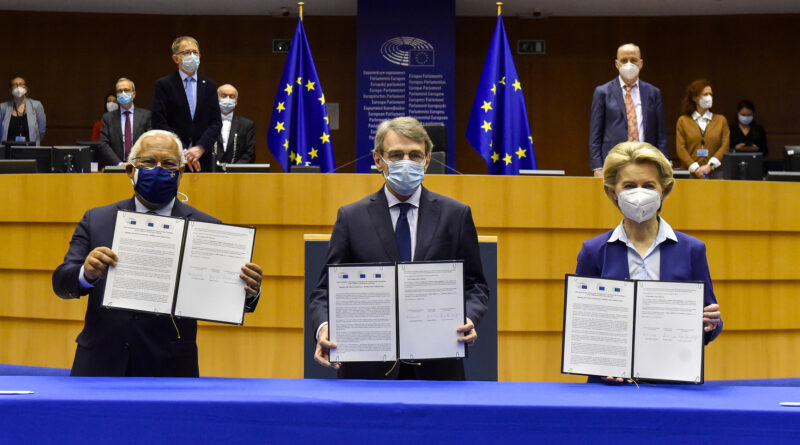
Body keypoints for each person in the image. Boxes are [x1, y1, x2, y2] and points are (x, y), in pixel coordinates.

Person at [52, 129, 263, 377]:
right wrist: (85, 274)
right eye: (149, 162)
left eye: (169, 163)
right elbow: (61, 283)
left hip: (170, 370)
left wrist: (249, 291)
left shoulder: (207, 229)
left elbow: (228, 298)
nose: (159, 169)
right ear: (131, 170)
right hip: (101, 364)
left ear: (181, 173)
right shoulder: (97, 220)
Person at [309, 116, 490, 380]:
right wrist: (324, 327)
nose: (406, 163)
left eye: (415, 155)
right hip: (367, 370)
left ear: (427, 160)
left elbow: (476, 285)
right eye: (396, 155)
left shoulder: (456, 214)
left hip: (438, 367)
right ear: (378, 160)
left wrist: (470, 317)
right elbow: (324, 290)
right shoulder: (351, 217)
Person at [575, 141, 722, 383]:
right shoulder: (593, 251)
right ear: (613, 192)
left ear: (663, 190)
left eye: (649, 186)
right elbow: (582, 326)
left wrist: (710, 323)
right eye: (630, 186)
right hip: (608, 388)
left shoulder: (692, 249)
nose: (639, 193)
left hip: (674, 384)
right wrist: (602, 366)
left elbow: (710, 321)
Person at [589, 43, 667, 177]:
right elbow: (595, 134)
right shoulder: (602, 92)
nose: (629, 64)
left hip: (647, 162)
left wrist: (663, 165)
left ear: (641, 63)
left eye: (633, 60)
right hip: (614, 163)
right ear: (616, 64)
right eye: (624, 60)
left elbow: (661, 135)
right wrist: (597, 167)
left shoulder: (653, 93)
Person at [151, 36, 221, 172]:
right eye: (187, 53)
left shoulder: (209, 85)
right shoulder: (164, 84)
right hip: (173, 157)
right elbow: (159, 121)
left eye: (195, 52)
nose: (192, 56)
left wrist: (200, 147)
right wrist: (182, 150)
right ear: (176, 58)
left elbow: (216, 122)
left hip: (202, 159)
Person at [676, 79, 730, 179]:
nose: (709, 97)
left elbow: (725, 146)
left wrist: (710, 166)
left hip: (715, 173)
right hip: (691, 173)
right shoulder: (683, 121)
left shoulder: (721, 120)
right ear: (694, 98)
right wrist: (696, 168)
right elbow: (681, 148)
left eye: (711, 94)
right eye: (705, 94)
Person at [97, 78, 152, 167]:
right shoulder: (108, 118)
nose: (123, 93)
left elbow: (150, 143)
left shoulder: (146, 116)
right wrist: (120, 164)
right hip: (116, 168)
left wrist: (136, 162)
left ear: (133, 94)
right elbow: (103, 144)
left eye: (126, 90)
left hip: (140, 167)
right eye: (119, 91)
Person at [212, 84, 255, 168]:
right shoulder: (206, 123)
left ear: (236, 101)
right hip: (210, 174)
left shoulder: (247, 125)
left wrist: (233, 170)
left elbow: (249, 154)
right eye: (223, 96)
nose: (227, 100)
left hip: (237, 176)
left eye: (232, 97)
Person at [0, 76, 46, 145]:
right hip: (8, 151)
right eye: (15, 85)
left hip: (30, 151)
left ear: (26, 89)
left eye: (21, 84)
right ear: (10, 90)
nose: (18, 87)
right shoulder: (2, 107)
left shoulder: (36, 105)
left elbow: (41, 131)